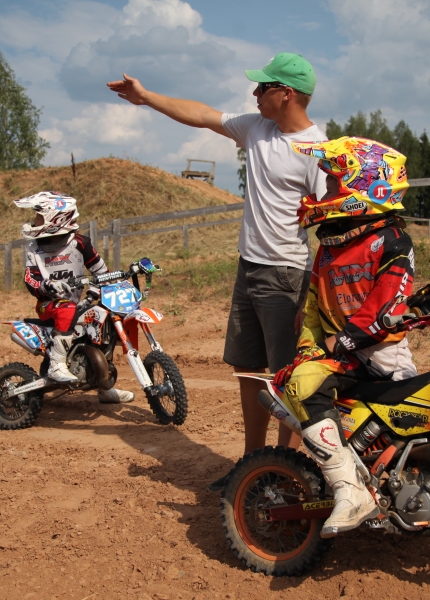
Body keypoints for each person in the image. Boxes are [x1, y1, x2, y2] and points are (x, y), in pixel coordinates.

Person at [108, 53, 327, 486]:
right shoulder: (257, 127)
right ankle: (250, 465)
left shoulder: (318, 151)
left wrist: (315, 297)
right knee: (248, 369)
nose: (255, 93)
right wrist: (147, 97)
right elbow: (204, 115)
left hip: (287, 275)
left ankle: (285, 469)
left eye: (263, 87)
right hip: (250, 270)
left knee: (289, 377)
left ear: (286, 94)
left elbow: (329, 227)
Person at [274, 137, 416, 537]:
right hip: (342, 354)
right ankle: (349, 490)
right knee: (297, 383)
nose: (326, 193)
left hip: (381, 352)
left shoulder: (391, 239)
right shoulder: (330, 246)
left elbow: (385, 310)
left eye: (335, 186)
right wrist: (308, 348)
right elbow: (314, 311)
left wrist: (337, 344)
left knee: (416, 427)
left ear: (366, 187)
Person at [16, 191, 134, 403]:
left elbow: (102, 272)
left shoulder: (80, 243)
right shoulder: (35, 248)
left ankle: (105, 387)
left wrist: (96, 290)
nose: (34, 222)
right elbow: (29, 279)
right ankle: (56, 364)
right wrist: (46, 285)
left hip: (76, 303)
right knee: (66, 308)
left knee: (100, 322)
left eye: (39, 217)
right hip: (47, 305)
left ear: (56, 219)